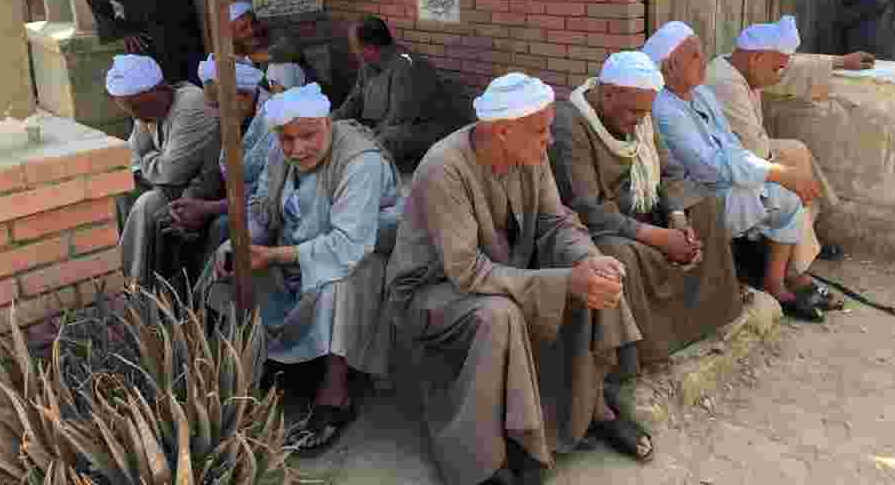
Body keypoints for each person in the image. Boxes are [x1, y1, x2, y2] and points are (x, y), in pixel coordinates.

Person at [387, 73, 650, 485]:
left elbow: (554, 221)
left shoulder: (530, 151)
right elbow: (466, 272)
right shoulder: (444, 168)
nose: (549, 139)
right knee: (499, 314)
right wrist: (565, 282)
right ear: (504, 131)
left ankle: (591, 409)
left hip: (501, 271)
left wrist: (587, 259)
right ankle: (487, 460)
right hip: (431, 293)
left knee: (593, 272)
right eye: (541, 130)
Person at [202, 84, 402, 454]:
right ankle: (254, 368)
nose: (297, 148)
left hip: (365, 257)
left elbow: (347, 243)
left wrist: (275, 255)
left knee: (337, 282)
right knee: (235, 263)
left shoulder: (361, 160)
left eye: (308, 135)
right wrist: (240, 245)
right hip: (300, 249)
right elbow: (262, 212)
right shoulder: (281, 156)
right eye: (287, 139)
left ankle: (334, 398)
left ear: (328, 123)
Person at [549, 52, 743, 372]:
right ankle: (643, 353)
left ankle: (700, 320)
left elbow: (667, 170)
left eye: (645, 113)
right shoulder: (571, 123)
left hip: (643, 209)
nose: (640, 120)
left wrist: (678, 221)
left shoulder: (640, 114)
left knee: (707, 207)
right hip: (600, 224)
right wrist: (659, 237)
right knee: (617, 254)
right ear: (608, 93)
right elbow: (588, 207)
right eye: (634, 112)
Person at [645, 23, 836, 323]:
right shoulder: (664, 109)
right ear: (670, 67)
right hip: (697, 199)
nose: (703, 59)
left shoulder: (700, 95)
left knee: (787, 197)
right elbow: (710, 167)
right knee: (780, 189)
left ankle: (776, 283)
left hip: (727, 184)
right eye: (695, 55)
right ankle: (777, 276)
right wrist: (774, 172)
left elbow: (732, 147)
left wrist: (771, 174)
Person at [704, 16, 874, 266]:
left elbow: (791, 66)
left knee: (796, 150)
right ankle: (796, 265)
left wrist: (841, 61)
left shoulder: (741, 63)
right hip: (728, 165)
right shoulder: (724, 82)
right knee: (792, 172)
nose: (780, 74)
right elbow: (754, 149)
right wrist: (790, 175)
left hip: (749, 152)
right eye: (776, 68)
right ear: (756, 59)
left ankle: (802, 241)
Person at [107, 55, 222, 287]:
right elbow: (130, 158)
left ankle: (138, 285)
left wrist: (147, 157)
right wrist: (151, 160)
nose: (136, 116)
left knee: (150, 204)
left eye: (137, 107)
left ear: (159, 89)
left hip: (204, 188)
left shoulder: (190, 105)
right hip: (171, 186)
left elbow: (171, 173)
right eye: (129, 110)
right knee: (119, 188)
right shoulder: (147, 110)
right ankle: (121, 279)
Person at [167, 56, 278, 257]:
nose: (215, 114)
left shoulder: (275, 124)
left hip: (273, 211)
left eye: (218, 106)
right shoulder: (226, 121)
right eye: (211, 106)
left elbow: (267, 197)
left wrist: (208, 209)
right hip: (237, 202)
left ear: (244, 96)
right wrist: (190, 202)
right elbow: (211, 174)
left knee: (223, 226)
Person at [332, 15, 455, 168]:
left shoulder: (406, 66)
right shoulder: (368, 64)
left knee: (384, 140)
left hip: (420, 130)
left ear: (370, 49)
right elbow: (354, 101)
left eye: (354, 46)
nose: (353, 51)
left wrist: (365, 136)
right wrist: (330, 121)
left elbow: (397, 117)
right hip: (385, 126)